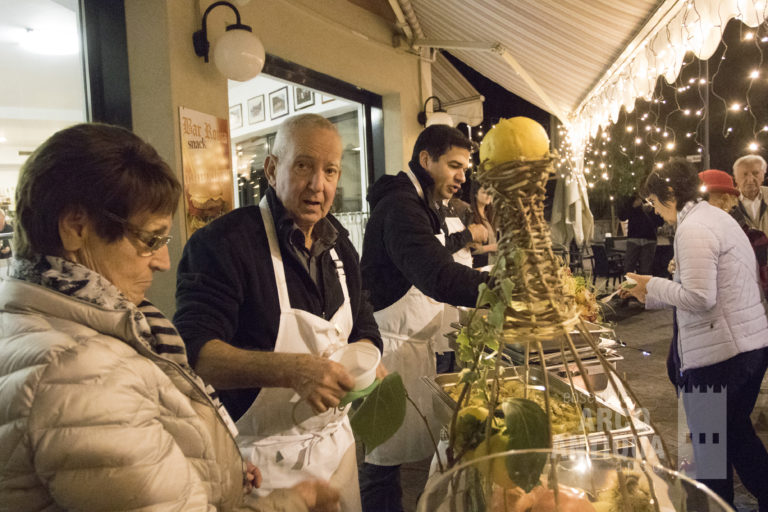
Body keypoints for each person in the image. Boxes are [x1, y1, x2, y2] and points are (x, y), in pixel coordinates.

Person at [0, 123, 335, 511]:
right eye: (151, 240)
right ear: (77, 228)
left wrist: (216, 467)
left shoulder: (51, 323)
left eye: (331, 171)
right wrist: (292, 502)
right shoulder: (79, 374)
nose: (162, 261)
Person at [174, 113, 383, 511]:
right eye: (303, 165)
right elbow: (193, 355)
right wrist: (293, 371)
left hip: (336, 451)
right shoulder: (223, 244)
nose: (317, 185)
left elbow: (363, 319)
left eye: (330, 170)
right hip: (262, 469)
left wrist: (369, 356)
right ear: (272, 169)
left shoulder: (340, 245)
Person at [621, 158, 768, 509]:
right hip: (745, 347)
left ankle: (714, 506)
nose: (654, 211)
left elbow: (700, 297)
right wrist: (652, 292)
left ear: (670, 193)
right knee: (735, 436)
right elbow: (699, 289)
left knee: (711, 450)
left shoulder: (695, 227)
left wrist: (651, 285)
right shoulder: (712, 218)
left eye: (654, 202)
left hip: (719, 357)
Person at [359, 124, 488, 512]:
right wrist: (504, 290)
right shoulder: (400, 207)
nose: (462, 177)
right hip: (389, 348)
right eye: (453, 165)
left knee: (403, 454)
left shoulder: (423, 203)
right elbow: (437, 275)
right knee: (380, 462)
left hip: (413, 344)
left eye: (465, 168)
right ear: (425, 160)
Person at [699, 169, 768, 296]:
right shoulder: (698, 234)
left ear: (725, 201)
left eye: (702, 201)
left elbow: (762, 286)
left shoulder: (755, 239)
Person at [618, 190, 664, 276]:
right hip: (634, 238)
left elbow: (660, 222)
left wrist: (651, 211)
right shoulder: (632, 200)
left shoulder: (653, 201)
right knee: (629, 268)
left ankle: (643, 288)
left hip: (649, 239)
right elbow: (622, 217)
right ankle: (627, 289)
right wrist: (632, 206)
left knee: (646, 270)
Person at [732, 154, 768, 236]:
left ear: (763, 176)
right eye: (744, 174)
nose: (750, 179)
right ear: (736, 178)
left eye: (755, 173)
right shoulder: (727, 203)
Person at [468, 179, 498, 269]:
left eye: (490, 192)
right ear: (475, 194)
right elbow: (471, 249)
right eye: (484, 192)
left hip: (491, 265)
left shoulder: (487, 215)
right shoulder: (470, 215)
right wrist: (492, 247)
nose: (489, 196)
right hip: (479, 267)